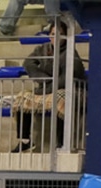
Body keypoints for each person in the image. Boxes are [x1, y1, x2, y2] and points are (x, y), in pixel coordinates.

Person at [11, 20, 85, 152]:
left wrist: (48, 86)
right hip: (46, 87)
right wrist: (44, 79)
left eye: (60, 34)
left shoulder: (70, 52)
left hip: (70, 89)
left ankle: (61, 143)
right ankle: (25, 140)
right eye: (52, 33)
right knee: (22, 98)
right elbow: (28, 64)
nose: (55, 37)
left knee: (60, 99)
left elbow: (67, 78)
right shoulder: (42, 48)